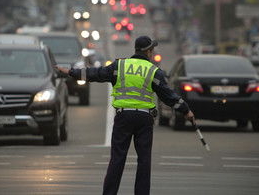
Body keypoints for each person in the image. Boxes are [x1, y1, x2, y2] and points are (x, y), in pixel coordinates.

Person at [56, 35, 195, 195]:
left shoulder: (119, 66)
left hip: (123, 118)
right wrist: (186, 110)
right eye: (152, 49)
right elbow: (168, 95)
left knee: (117, 159)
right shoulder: (153, 71)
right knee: (144, 161)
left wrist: (71, 72)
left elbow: (95, 74)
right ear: (148, 52)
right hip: (144, 119)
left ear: (136, 50)